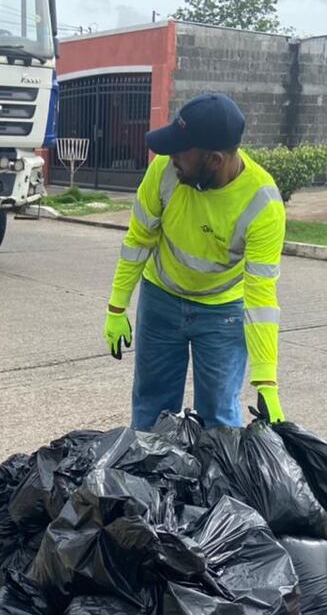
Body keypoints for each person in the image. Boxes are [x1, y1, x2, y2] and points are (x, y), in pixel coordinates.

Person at [102, 92, 287, 431]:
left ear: (214, 159)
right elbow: (138, 242)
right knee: (151, 411)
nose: (169, 156)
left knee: (219, 419)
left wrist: (266, 383)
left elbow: (261, 297)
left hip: (222, 313)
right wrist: (116, 308)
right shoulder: (164, 171)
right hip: (161, 300)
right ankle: (148, 481)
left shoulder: (262, 205)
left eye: (180, 151)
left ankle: (217, 485)